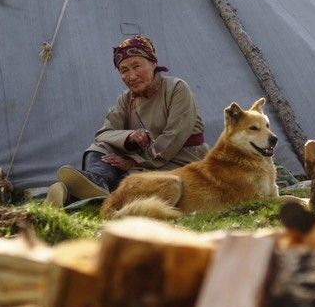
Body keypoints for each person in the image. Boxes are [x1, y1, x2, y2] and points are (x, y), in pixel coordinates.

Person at [46, 35, 208, 207]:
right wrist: (130, 137)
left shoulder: (176, 88)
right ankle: (98, 181)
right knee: (100, 147)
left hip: (179, 158)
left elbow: (173, 138)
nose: (131, 76)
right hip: (142, 158)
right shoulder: (126, 99)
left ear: (153, 63)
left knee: (128, 181)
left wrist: (134, 162)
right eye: (124, 70)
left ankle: (74, 196)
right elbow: (103, 134)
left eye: (136, 66)